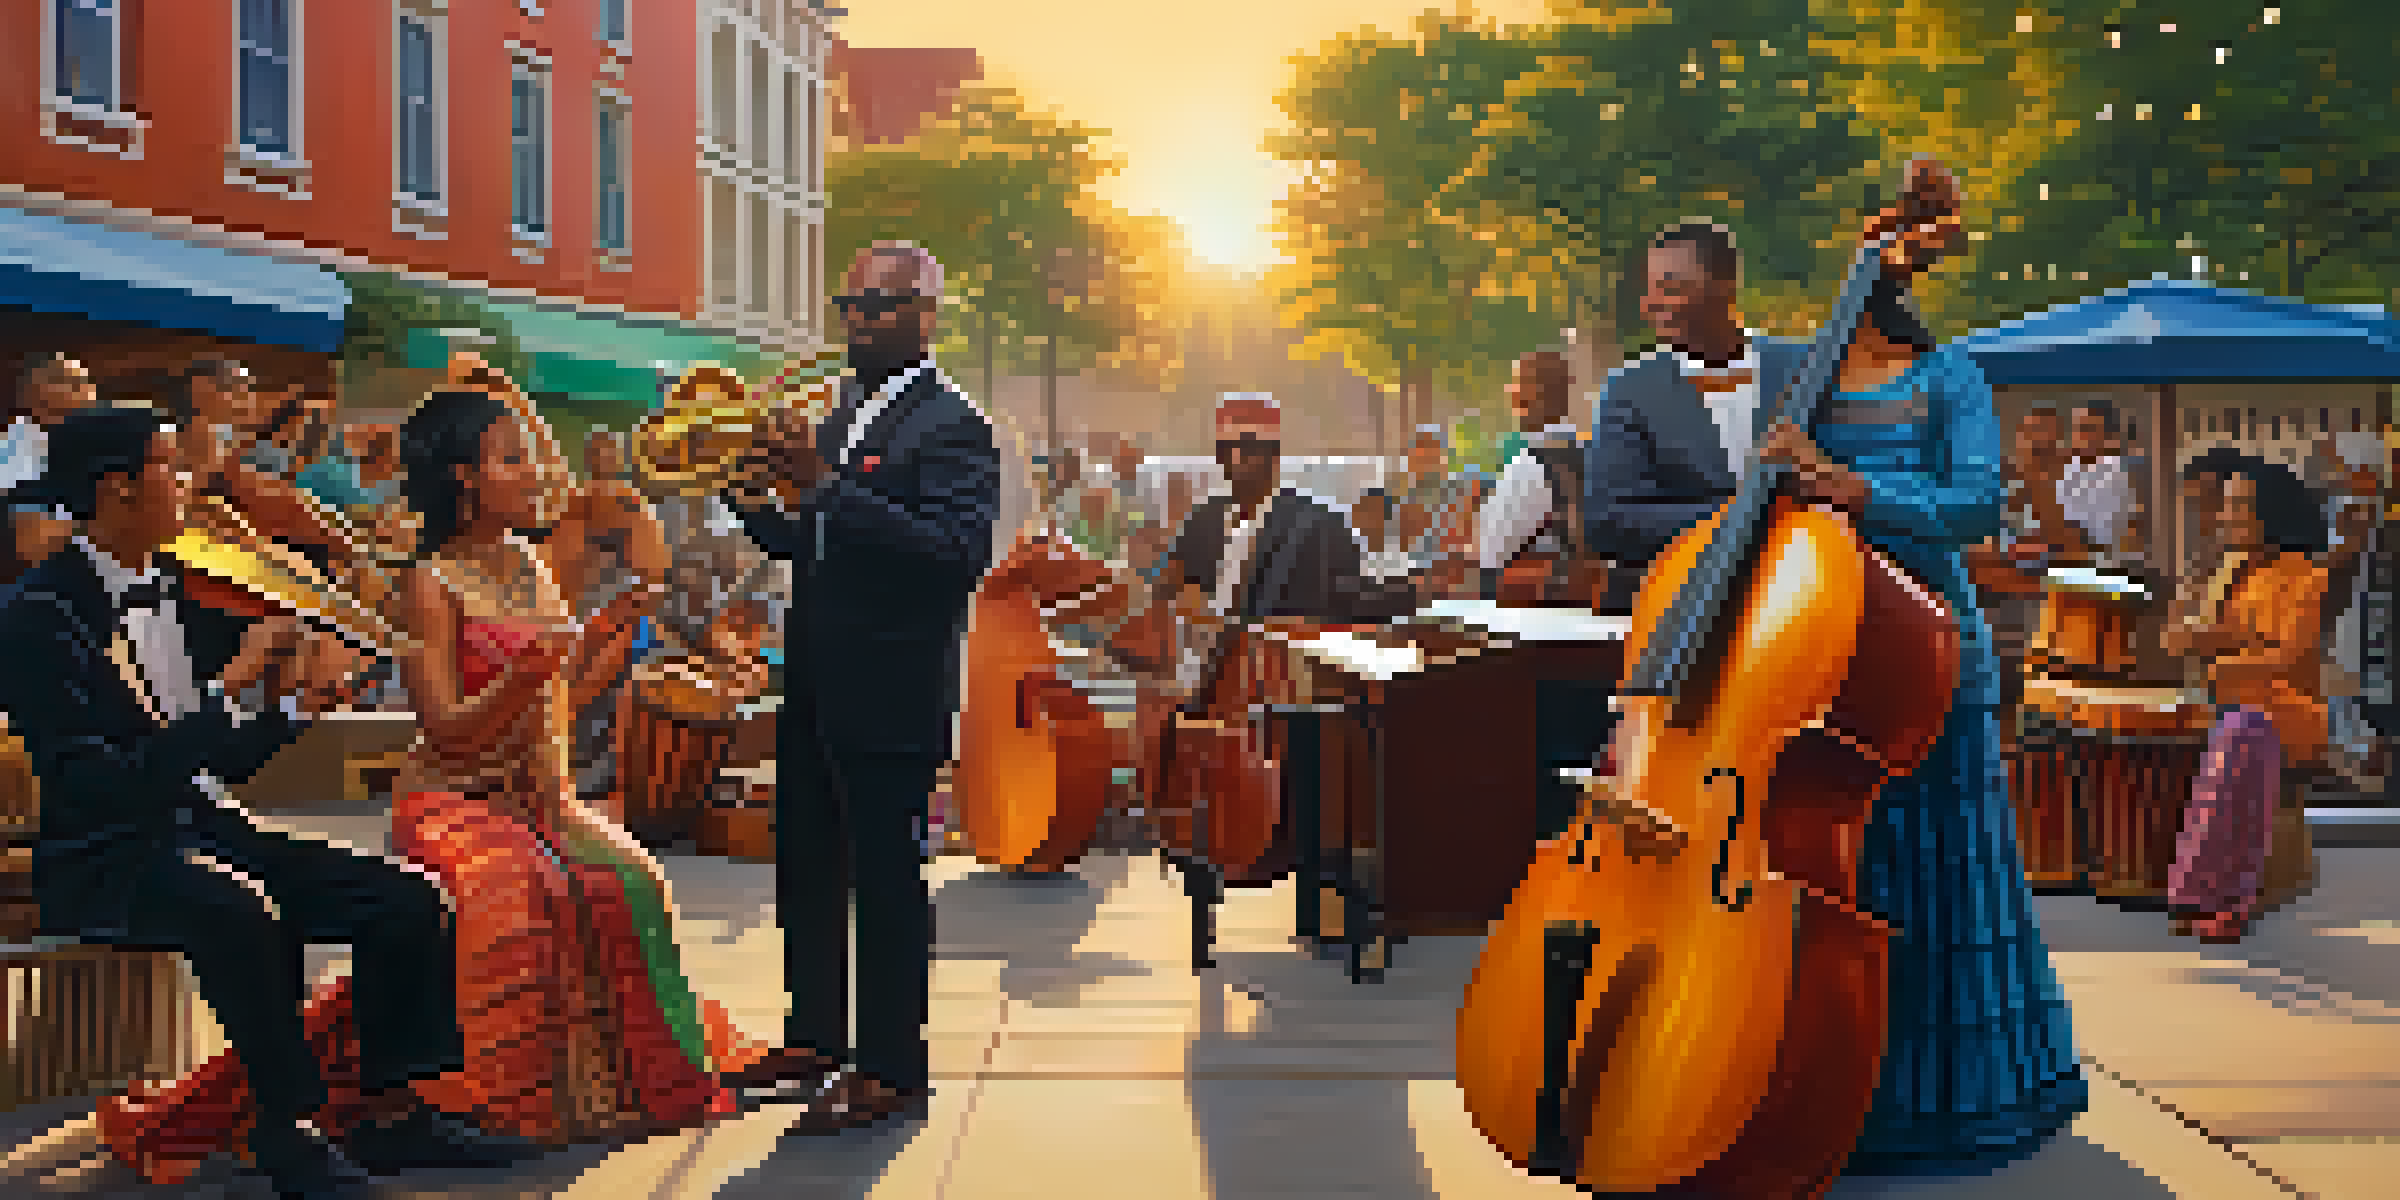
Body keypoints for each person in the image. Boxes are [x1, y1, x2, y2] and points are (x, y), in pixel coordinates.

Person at [1586, 184, 2089, 1173]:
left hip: (1927, 647)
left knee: (1948, 884)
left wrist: (1849, 484)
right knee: (1847, 883)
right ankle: (1827, 1085)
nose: (1856, 309)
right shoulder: (1807, 387)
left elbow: (1974, 506)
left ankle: (1949, 1104)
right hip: (1820, 661)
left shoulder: (1951, 379)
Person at [4, 406, 538, 1200]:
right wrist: (229, 689)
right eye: (169, 467)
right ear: (117, 487)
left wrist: (295, 710)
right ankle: (285, 1130)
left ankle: (394, 1112)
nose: (188, 485)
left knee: (403, 896)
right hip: (105, 853)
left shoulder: (175, 592)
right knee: (241, 908)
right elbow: (99, 786)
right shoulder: (40, 615)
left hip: (202, 828)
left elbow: (213, 759)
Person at [721, 241, 1001, 1131]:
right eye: (850, 306)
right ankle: (816, 1034)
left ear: (926, 314)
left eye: (880, 306)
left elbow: (956, 557)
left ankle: (890, 1071)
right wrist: (751, 502)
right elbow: (820, 544)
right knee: (806, 862)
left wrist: (829, 488)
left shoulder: (952, 422)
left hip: (888, 688)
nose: (860, 322)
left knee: (884, 881)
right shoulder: (846, 411)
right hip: (814, 674)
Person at [2162, 454, 2330, 943]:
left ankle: (2232, 897)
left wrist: (2219, 662)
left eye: (2239, 507)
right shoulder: (2245, 572)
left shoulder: (2305, 577)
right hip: (2239, 704)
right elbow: (2231, 631)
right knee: (2226, 736)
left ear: (2269, 514)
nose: (2226, 516)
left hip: (2285, 709)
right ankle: (2198, 889)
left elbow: (2286, 657)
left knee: (2239, 741)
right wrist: (2194, 633)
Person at [1581, 222, 1809, 579]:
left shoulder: (1807, 367)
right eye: (1649, 290)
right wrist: (1750, 514)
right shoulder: (1627, 388)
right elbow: (1608, 521)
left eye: (1671, 287)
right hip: (1676, 594)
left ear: (1726, 288)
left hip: (1800, 580)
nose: (1651, 303)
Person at [1474, 349, 1598, 607]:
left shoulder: (1529, 466)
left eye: (1517, 384)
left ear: (1530, 395)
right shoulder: (1593, 457)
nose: (1511, 392)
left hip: (1533, 618)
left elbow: (1492, 558)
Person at [2, 353, 93, 586]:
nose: (90, 393)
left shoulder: (61, 444)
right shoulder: (17, 448)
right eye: (76, 385)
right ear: (39, 393)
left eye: (87, 383)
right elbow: (32, 544)